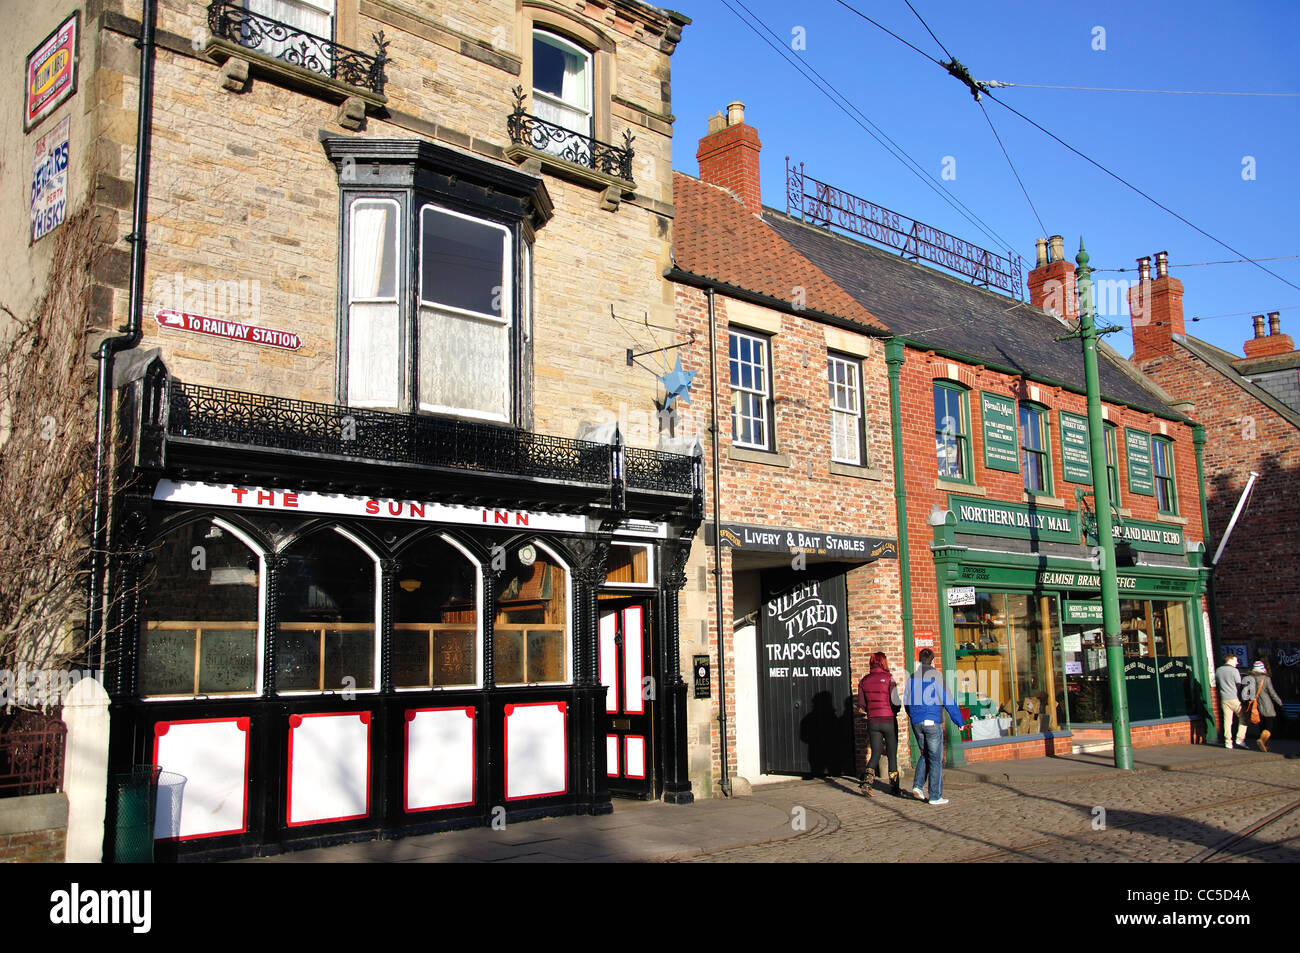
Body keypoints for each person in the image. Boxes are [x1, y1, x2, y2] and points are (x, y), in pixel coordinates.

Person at [904, 648, 968, 805]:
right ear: (933, 661)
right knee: (935, 758)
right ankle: (935, 796)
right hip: (932, 721)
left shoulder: (911, 678)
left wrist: (913, 716)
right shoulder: (936, 677)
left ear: (919, 661)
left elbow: (906, 701)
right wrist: (959, 722)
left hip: (916, 722)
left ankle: (918, 786)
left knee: (925, 754)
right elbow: (948, 701)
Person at [857, 651, 903, 797]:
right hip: (888, 720)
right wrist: (895, 710)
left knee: (875, 753)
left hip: (873, 721)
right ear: (884, 662)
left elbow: (862, 705)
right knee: (891, 754)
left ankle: (867, 782)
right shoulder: (889, 679)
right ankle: (894, 787)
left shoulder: (864, 681)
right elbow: (895, 701)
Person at [1246, 660, 1284, 753]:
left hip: (1255, 705)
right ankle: (1262, 740)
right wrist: (1280, 702)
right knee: (1269, 725)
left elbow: (1246, 693)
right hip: (1266, 704)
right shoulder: (1265, 679)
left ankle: (1265, 745)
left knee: (1261, 724)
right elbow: (1272, 693)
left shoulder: (1248, 678)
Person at [1215, 654, 1247, 749]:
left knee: (1227, 721)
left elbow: (1217, 683)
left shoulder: (1218, 670)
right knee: (1243, 718)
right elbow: (1239, 685)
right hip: (1234, 698)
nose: (1237, 662)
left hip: (1224, 698)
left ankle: (1228, 742)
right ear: (1230, 659)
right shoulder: (1234, 670)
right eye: (1235, 660)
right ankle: (1240, 739)